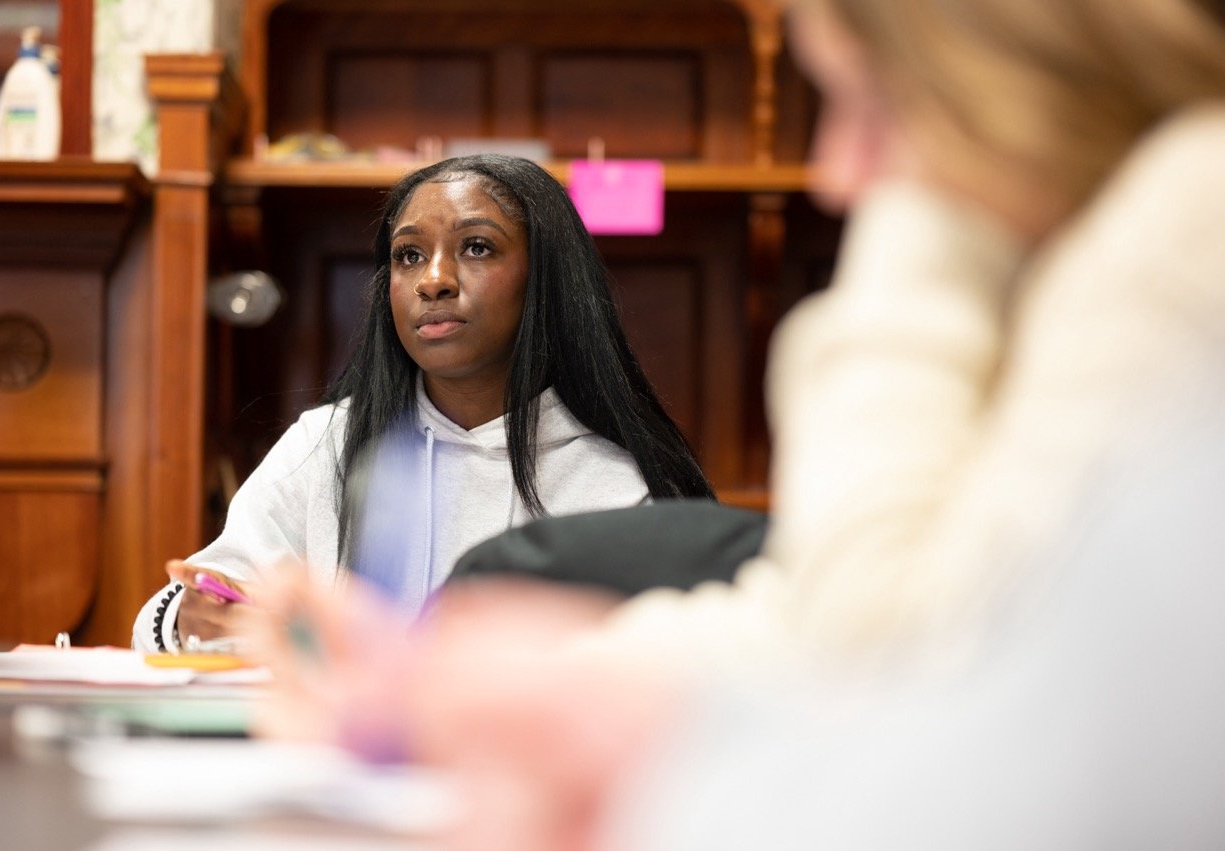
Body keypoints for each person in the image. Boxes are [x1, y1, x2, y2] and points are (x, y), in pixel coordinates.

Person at [248, 0, 1225, 845]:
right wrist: (450, 686)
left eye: (868, 103)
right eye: (407, 256)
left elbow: (889, 646)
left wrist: (916, 232)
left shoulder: (1184, 220)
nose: (837, 174)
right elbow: (805, 622)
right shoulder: (321, 440)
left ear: (1007, 83)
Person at [133, 153, 713, 652]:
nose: (432, 281)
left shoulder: (618, 484)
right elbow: (171, 614)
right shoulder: (328, 443)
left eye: (477, 247)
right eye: (408, 256)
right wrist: (197, 616)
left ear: (545, 280)